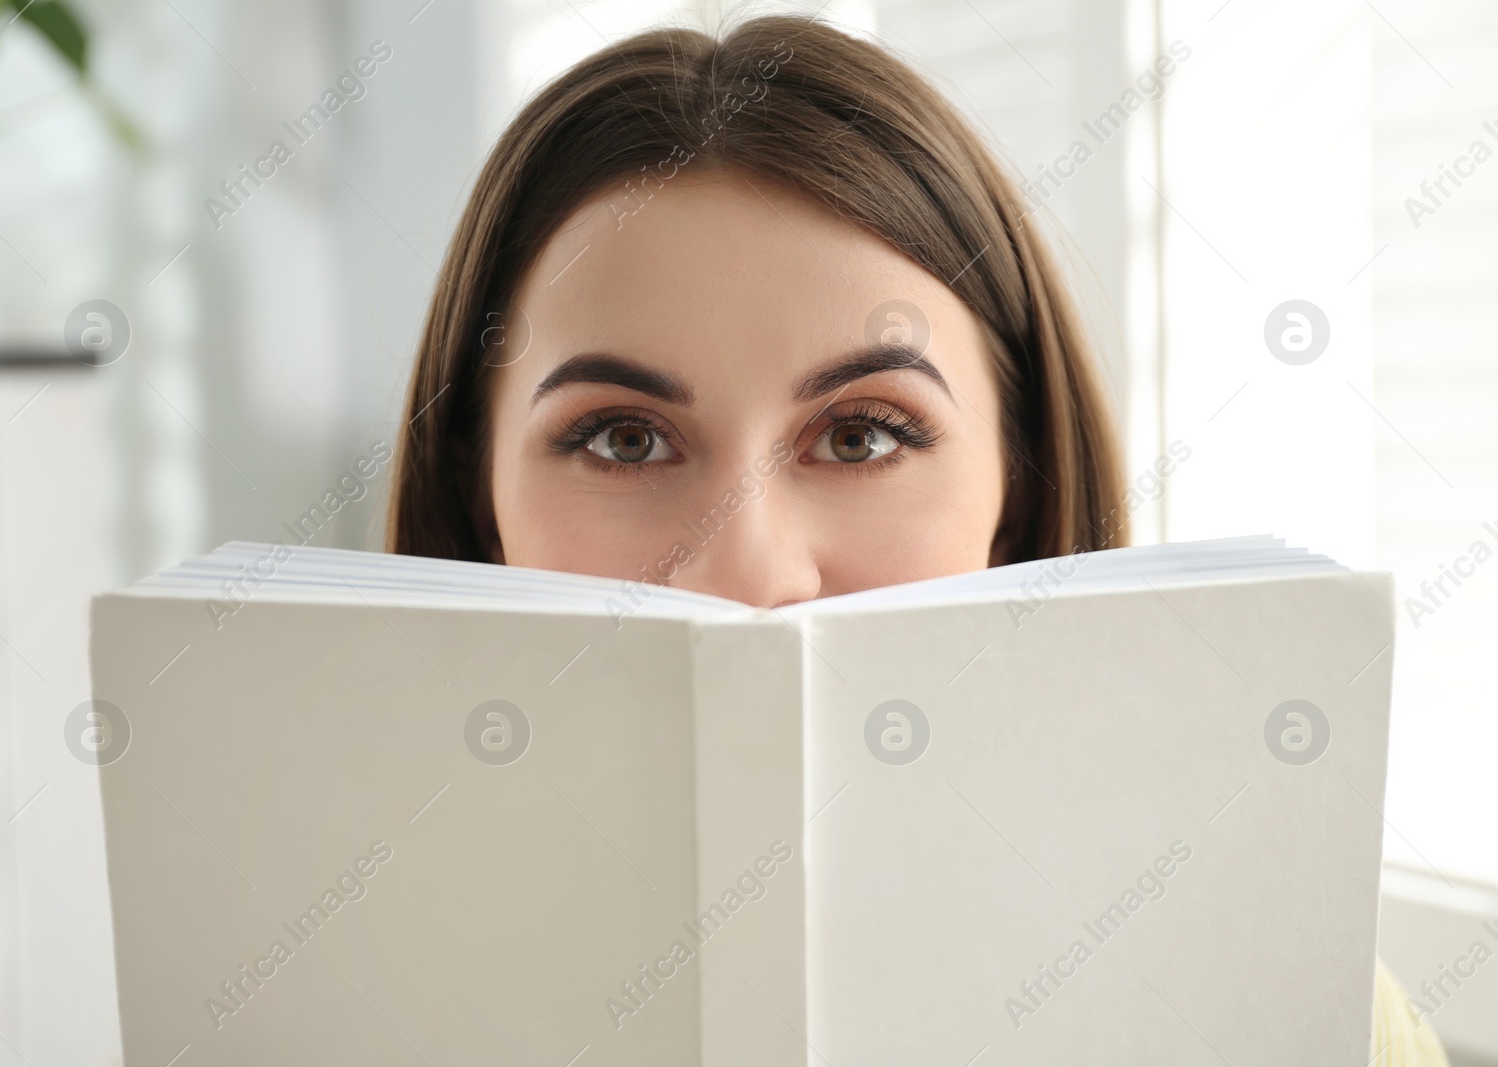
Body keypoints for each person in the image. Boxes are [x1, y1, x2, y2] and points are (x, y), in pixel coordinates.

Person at [386, 14, 1446, 1064]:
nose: (749, 570)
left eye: (859, 435)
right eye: (624, 439)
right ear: (480, 502)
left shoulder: (1304, 1005)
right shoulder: (295, 962)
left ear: (1017, 493)